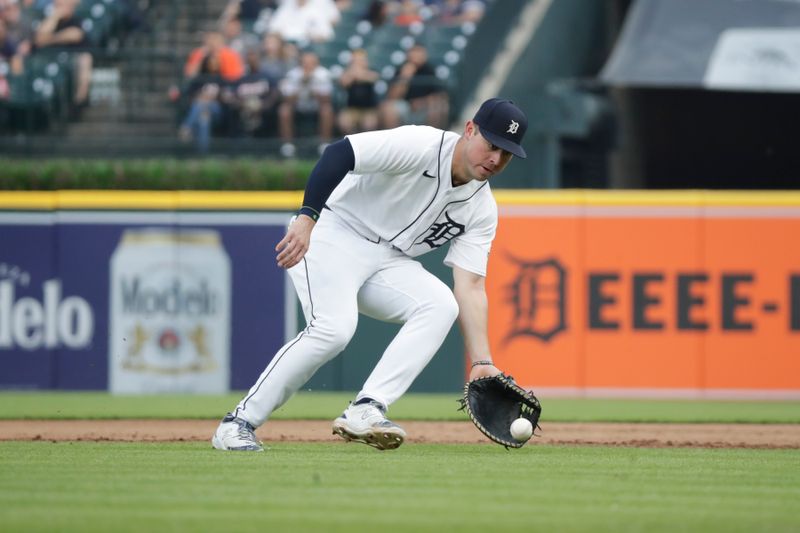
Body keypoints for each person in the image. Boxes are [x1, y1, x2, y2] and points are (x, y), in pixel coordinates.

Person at [211, 97, 529, 452]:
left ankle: (367, 407)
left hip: (388, 258)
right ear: (470, 130)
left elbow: (470, 286)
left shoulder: (482, 209)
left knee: (440, 305)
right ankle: (237, 423)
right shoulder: (421, 145)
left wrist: (482, 362)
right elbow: (340, 153)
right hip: (334, 231)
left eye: (507, 153)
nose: (496, 159)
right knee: (333, 330)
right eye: (492, 145)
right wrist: (307, 218)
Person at [277, 49, 334, 156]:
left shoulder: (323, 74)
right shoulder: (293, 74)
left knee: (327, 110)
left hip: (316, 106)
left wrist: (312, 86)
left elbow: (327, 98)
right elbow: (287, 98)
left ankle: (324, 144)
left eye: (311, 62)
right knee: (284, 110)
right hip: (298, 106)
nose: (308, 65)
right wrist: (301, 85)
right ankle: (287, 145)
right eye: (305, 62)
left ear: (316, 63)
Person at [380, 43, 449, 129]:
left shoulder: (430, 70)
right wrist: (405, 76)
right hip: (404, 106)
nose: (416, 56)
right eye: (414, 52)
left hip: (424, 107)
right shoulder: (401, 69)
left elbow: (441, 96)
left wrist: (422, 102)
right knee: (388, 108)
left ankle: (433, 139)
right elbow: (393, 97)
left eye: (419, 53)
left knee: (437, 105)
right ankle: (395, 140)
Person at [336, 48, 379, 135]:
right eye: (355, 60)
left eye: (360, 59)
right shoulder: (347, 72)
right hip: (351, 108)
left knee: (369, 125)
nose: (358, 62)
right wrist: (354, 74)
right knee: (344, 122)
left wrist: (358, 74)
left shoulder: (372, 70)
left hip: (369, 109)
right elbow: (344, 83)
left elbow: (374, 77)